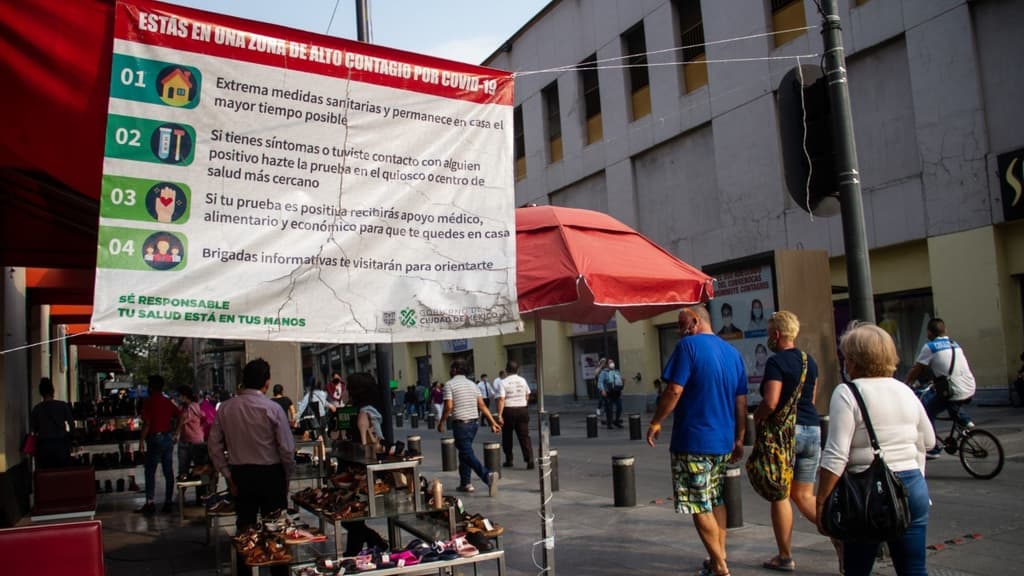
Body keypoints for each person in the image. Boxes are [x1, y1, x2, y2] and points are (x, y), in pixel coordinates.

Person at [818, 322, 933, 576]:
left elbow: (836, 454)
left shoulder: (847, 393)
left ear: (856, 361)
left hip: (865, 491)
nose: (845, 364)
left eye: (847, 357)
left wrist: (822, 502)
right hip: (912, 486)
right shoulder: (905, 390)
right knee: (914, 568)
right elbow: (930, 440)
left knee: (857, 568)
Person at [647, 305, 747, 576]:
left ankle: (721, 567)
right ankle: (717, 559)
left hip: (693, 440)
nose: (680, 332)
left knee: (698, 503)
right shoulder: (733, 354)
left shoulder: (688, 348)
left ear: (694, 321)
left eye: (681, 325)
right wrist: (739, 438)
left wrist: (657, 421)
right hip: (723, 441)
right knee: (715, 499)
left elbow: (674, 389)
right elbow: (741, 402)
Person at [209, 358, 295, 576]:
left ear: (243, 381)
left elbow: (214, 446)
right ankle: (278, 572)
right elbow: (286, 448)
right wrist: (287, 477)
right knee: (275, 528)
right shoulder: (272, 409)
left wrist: (227, 476)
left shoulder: (226, 408)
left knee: (245, 528)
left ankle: (246, 572)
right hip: (271, 474)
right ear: (267, 383)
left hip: (240, 475)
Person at [750, 311, 820, 572]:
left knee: (780, 494)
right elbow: (811, 398)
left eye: (770, 333)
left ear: (776, 335)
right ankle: (839, 536)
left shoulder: (776, 362)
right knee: (804, 496)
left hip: (785, 436)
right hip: (812, 429)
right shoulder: (808, 361)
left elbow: (771, 402)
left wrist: (757, 418)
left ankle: (785, 555)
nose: (769, 337)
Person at [902, 317, 977, 458]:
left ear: (929, 333)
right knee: (946, 400)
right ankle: (965, 421)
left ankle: (933, 449)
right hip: (969, 386)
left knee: (927, 411)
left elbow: (917, 369)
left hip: (953, 389)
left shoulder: (930, 347)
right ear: (945, 330)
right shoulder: (955, 344)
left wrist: (907, 384)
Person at [341, 372, 390, 556]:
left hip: (362, 473)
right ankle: (360, 548)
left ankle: (363, 547)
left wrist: (364, 434)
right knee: (350, 517)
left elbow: (378, 442)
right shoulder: (351, 409)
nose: (344, 390)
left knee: (352, 517)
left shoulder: (368, 410)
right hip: (349, 470)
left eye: (347, 387)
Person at [437, 359, 501, 495]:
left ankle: (487, 476)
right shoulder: (473, 385)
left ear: (454, 370)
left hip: (461, 425)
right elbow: (482, 405)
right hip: (474, 424)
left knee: (466, 453)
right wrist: (492, 422)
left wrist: (441, 422)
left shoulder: (449, 385)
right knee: (464, 453)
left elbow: (448, 406)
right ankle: (465, 483)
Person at [137, 374, 181, 514]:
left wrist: (141, 441)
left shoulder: (148, 402)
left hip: (154, 438)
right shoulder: (167, 401)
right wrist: (176, 432)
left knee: (150, 470)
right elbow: (180, 415)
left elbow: (147, 423)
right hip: (167, 437)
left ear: (151, 387)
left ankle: (150, 502)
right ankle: (168, 502)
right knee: (168, 471)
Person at [496, 361, 534, 469]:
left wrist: (499, 415)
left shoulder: (503, 382)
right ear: (517, 370)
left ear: (506, 370)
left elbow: (501, 399)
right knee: (524, 436)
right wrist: (524, 403)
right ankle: (529, 459)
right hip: (522, 409)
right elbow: (527, 394)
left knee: (507, 436)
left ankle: (509, 459)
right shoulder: (522, 380)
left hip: (508, 410)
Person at [30, 377, 74, 469]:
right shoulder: (62, 405)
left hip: (44, 446)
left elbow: (34, 429)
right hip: (61, 444)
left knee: (46, 475)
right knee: (62, 473)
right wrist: (70, 437)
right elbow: (71, 424)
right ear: (52, 391)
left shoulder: (37, 409)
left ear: (41, 392)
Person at [176, 385, 207, 482]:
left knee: (187, 469)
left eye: (179, 395)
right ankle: (201, 492)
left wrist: (176, 433)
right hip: (194, 439)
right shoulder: (194, 406)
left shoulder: (191, 407)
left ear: (184, 396)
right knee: (197, 467)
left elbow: (183, 419)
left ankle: (183, 493)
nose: (178, 398)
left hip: (192, 442)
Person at [598, 359, 624, 429]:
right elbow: (600, 382)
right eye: (610, 363)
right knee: (609, 409)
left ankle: (617, 421)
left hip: (616, 392)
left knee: (619, 407)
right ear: (607, 365)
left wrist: (622, 383)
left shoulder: (616, 371)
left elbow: (619, 382)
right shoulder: (604, 372)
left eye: (612, 362)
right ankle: (609, 423)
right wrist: (602, 390)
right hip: (608, 393)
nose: (612, 363)